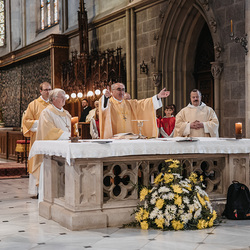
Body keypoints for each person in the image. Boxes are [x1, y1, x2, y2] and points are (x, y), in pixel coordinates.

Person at [30, 88, 71, 188]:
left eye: (64, 96)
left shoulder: (67, 114)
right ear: (53, 99)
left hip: (66, 146)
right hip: (52, 151)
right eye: (61, 97)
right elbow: (48, 131)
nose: (64, 99)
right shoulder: (46, 113)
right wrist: (67, 135)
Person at [99, 82, 170, 139]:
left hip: (129, 137)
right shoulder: (109, 103)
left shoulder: (130, 103)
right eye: (119, 89)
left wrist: (158, 97)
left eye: (123, 89)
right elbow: (103, 109)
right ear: (112, 91)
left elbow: (143, 104)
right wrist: (105, 98)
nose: (122, 92)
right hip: (114, 137)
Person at [22, 82, 52, 196]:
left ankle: (50, 189)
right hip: (38, 139)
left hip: (51, 139)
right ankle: (37, 191)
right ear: (40, 91)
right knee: (38, 162)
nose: (48, 92)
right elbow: (27, 121)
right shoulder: (33, 104)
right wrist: (41, 123)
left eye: (49, 89)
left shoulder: (53, 105)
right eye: (45, 90)